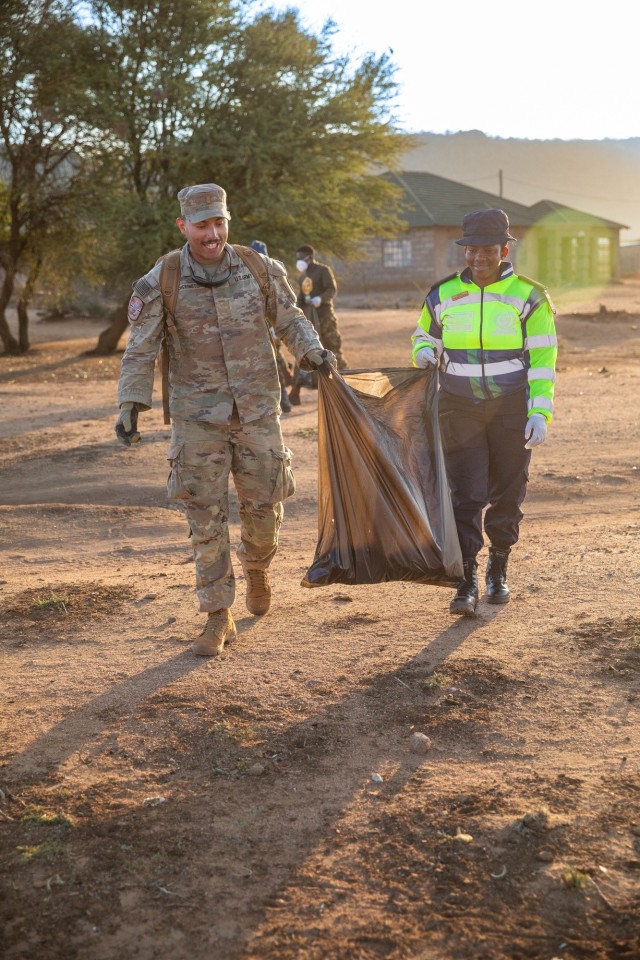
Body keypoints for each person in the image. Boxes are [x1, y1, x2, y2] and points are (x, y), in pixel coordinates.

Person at [115, 183, 331, 656]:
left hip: (256, 410)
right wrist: (130, 403)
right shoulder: (164, 277)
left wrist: (312, 352)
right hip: (196, 417)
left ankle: (257, 567)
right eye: (202, 225)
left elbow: (290, 319)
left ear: (227, 221)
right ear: (183, 227)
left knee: (265, 507)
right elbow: (141, 346)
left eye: (219, 223)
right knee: (204, 515)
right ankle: (217, 614)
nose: (212, 234)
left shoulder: (259, 268)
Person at [411, 208, 557, 616]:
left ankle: (499, 567)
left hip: (511, 407)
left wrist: (539, 413)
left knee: (508, 492)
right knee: (467, 494)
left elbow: (544, 359)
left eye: (488, 249)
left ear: (504, 249)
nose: (479, 257)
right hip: (459, 407)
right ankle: (467, 577)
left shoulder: (530, 296)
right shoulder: (441, 294)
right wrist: (424, 352)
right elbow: (424, 335)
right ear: (465, 250)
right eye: (472, 249)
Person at [288, 243, 348, 405]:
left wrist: (319, 299)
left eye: (301, 257)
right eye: (297, 257)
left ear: (309, 257)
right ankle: (296, 390)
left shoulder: (323, 271)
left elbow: (331, 289)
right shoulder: (302, 276)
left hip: (325, 316)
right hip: (309, 319)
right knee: (306, 351)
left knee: (333, 348)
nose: (299, 260)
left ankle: (345, 389)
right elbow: (300, 299)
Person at [249, 240, 293, 414]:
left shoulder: (273, 273)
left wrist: (275, 326)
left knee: (274, 362)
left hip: (271, 325)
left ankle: (285, 400)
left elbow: (284, 304)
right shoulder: (243, 275)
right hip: (253, 329)